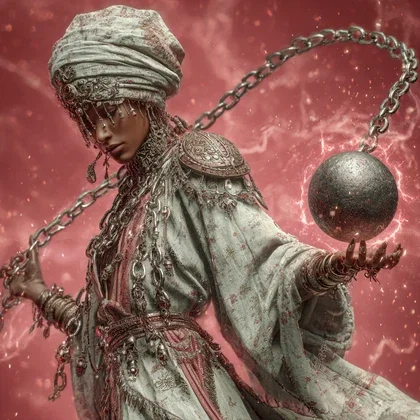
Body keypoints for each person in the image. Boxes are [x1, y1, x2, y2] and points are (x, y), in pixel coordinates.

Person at [7, 5, 420, 420]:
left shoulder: (197, 161)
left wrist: (332, 267)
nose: (101, 134)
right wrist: (37, 292)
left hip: (186, 400)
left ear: (144, 97)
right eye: (88, 120)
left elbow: (262, 260)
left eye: (110, 112)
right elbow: (105, 327)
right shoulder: (123, 209)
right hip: (121, 405)